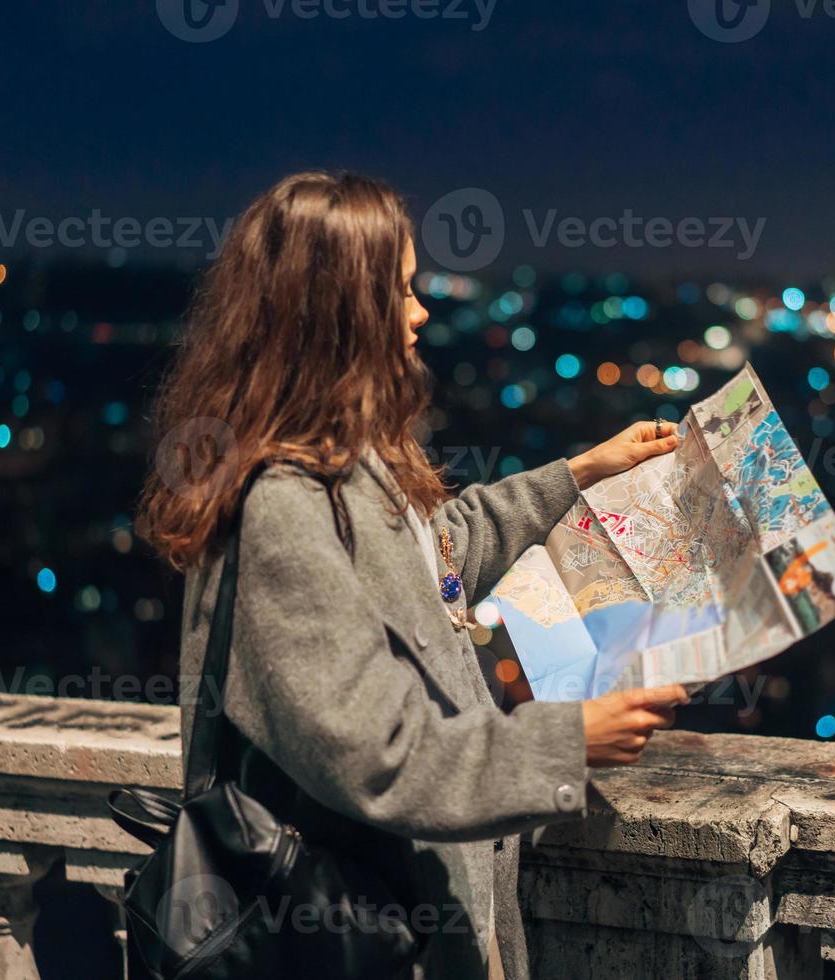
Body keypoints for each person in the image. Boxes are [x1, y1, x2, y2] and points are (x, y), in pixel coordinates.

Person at [139, 171, 689, 979]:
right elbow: (377, 752)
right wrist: (567, 745)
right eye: (399, 291)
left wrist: (582, 472)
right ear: (337, 314)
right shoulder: (283, 507)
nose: (421, 312)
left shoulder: (346, 464)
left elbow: (437, 562)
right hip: (356, 935)